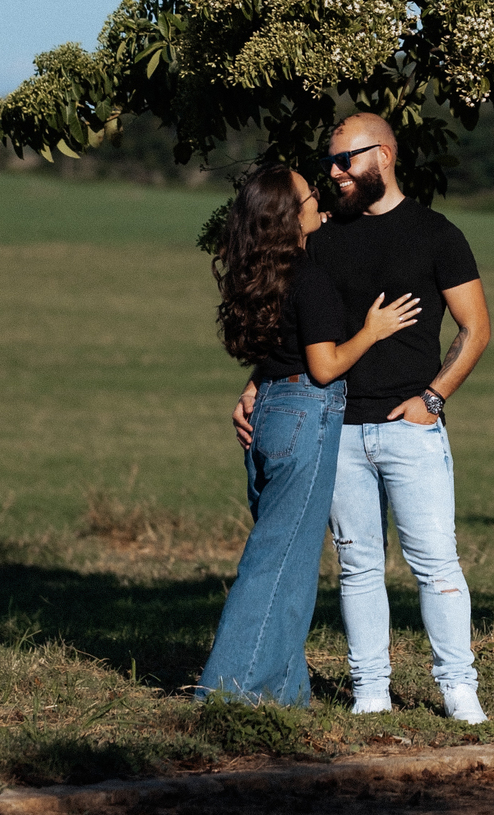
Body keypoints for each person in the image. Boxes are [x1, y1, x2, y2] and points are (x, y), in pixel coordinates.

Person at [233, 115, 492, 725]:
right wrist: (254, 386)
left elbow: (476, 328)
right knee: (358, 564)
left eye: (346, 161)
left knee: (436, 562)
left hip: (412, 428)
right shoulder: (320, 237)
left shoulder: (437, 234)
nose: (334, 173)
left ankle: (459, 689)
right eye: (330, 163)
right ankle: (369, 691)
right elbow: (300, 329)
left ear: (385, 155)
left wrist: (433, 399)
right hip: (339, 430)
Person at [199, 162, 420, 705]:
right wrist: (372, 331)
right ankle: (228, 694)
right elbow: (324, 367)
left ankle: (285, 692)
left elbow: (275, 356)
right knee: (276, 565)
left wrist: (255, 390)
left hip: (272, 414)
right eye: (307, 194)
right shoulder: (309, 277)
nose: (317, 197)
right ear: (288, 217)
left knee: (288, 563)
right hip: (305, 415)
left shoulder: (258, 273)